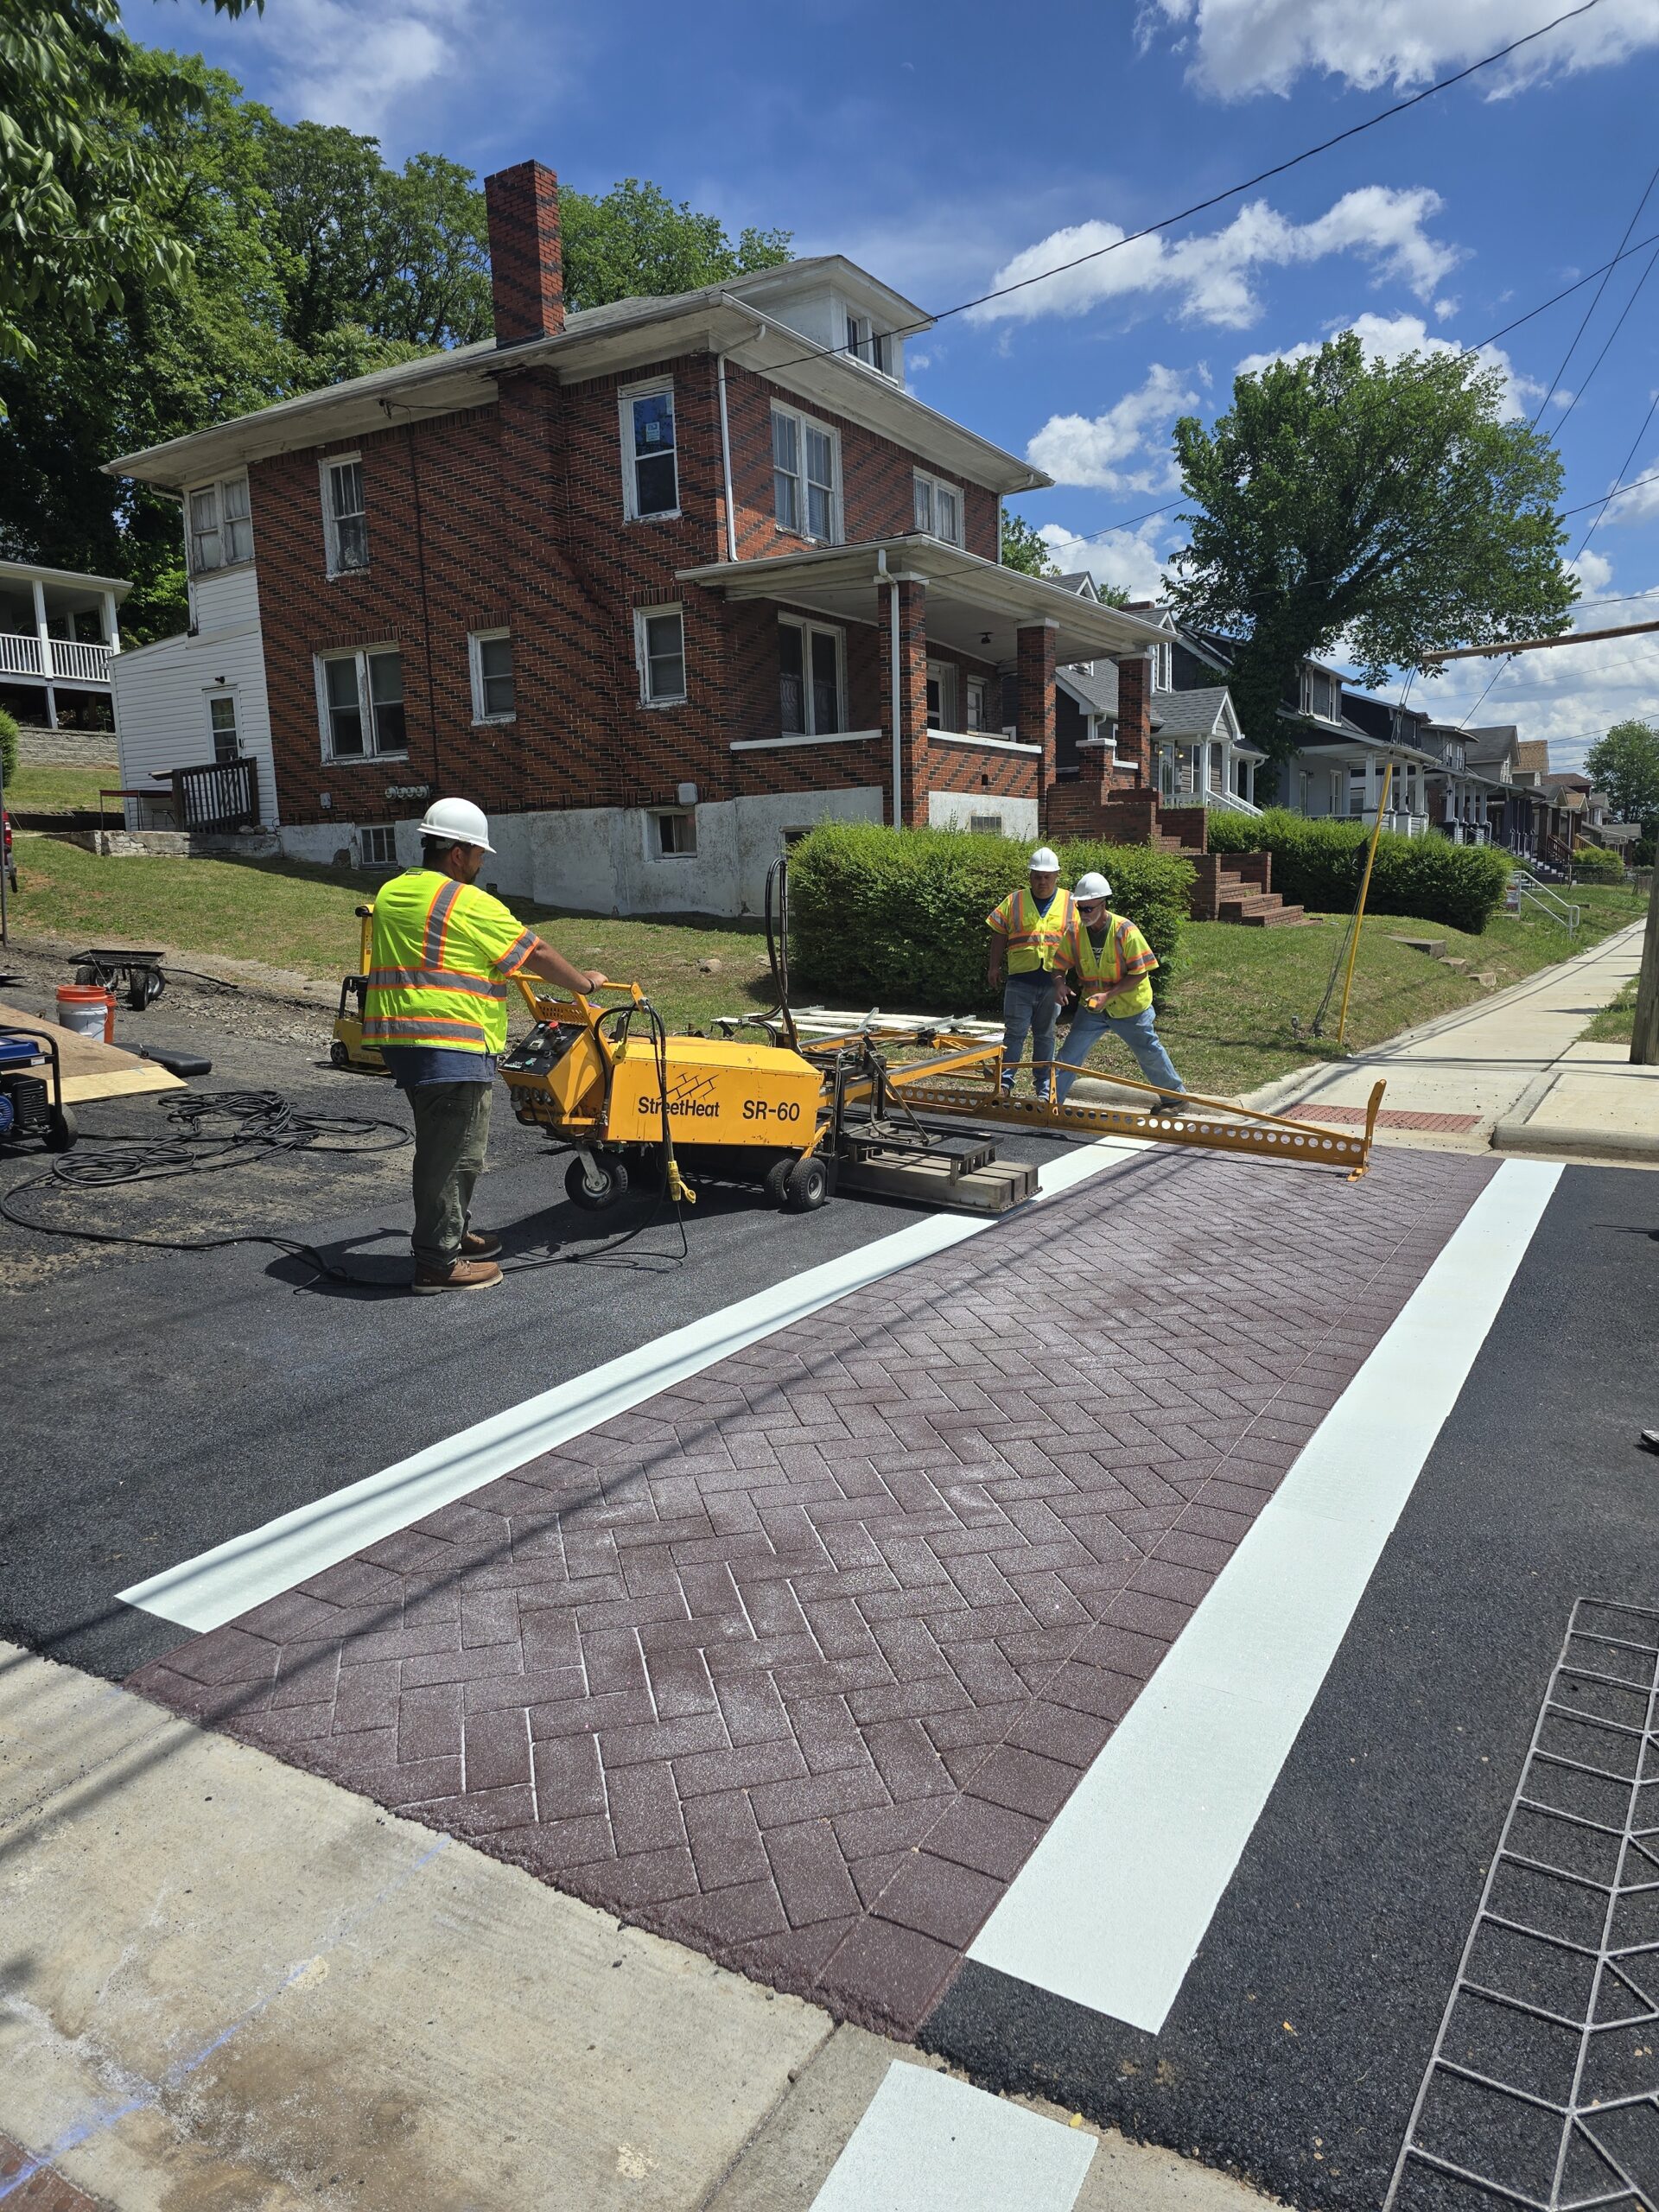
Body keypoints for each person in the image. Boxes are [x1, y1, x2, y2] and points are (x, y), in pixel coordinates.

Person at [365, 798, 608, 1294]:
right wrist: (584, 984)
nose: (481, 863)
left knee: (441, 1148)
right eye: (479, 854)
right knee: (455, 1155)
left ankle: (451, 1232)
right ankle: (437, 1262)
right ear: (458, 853)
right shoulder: (465, 901)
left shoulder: (394, 892)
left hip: (401, 1041)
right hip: (451, 1045)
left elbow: (443, 954)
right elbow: (533, 951)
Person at [1053, 871, 1185, 1111]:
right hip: (1092, 1008)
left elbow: (1140, 972)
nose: (1083, 914)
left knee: (1148, 1050)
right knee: (1069, 1054)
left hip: (1129, 1007)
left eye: (1088, 909)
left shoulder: (1125, 930)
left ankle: (1175, 1099)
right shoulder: (1074, 932)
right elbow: (1059, 965)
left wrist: (1108, 996)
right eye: (1080, 908)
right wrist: (1059, 982)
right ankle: (1050, 1102)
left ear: (1103, 905)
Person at [986, 847, 1076, 1103]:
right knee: (1014, 1033)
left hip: (1053, 982)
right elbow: (999, 933)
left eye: (1048, 876)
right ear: (1030, 876)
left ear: (1057, 875)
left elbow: (1080, 940)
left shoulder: (1071, 903)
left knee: (1045, 1034)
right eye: (1037, 876)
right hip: (1020, 980)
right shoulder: (1014, 901)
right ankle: (1003, 1084)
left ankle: (1045, 1089)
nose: (1042, 881)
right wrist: (994, 966)